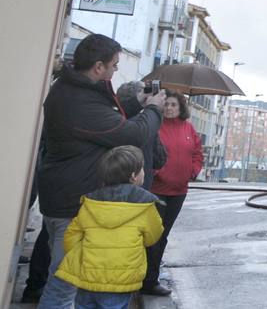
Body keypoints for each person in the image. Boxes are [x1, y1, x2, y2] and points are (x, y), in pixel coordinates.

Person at [38, 35, 164, 309]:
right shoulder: (78, 100)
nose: (116, 70)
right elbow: (132, 133)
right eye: (114, 65)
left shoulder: (73, 90)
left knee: (67, 284)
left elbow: (102, 125)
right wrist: (154, 109)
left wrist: (134, 104)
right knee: (63, 286)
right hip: (70, 201)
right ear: (98, 67)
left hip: (64, 194)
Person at [54, 145, 163, 309]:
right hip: (120, 278)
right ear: (133, 176)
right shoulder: (145, 206)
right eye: (142, 169)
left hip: (87, 277)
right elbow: (153, 237)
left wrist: (82, 257)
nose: (144, 172)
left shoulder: (90, 203)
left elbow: (72, 236)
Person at [143, 92, 201, 296]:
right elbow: (147, 152)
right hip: (157, 189)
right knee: (154, 236)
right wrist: (156, 172)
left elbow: (197, 153)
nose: (168, 108)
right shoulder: (155, 126)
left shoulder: (188, 128)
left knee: (164, 235)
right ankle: (148, 281)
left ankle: (150, 278)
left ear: (180, 107)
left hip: (179, 191)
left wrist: (193, 171)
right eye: (166, 104)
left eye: (173, 105)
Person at [113, 83, 166, 194]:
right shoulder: (146, 125)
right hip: (140, 186)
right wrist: (153, 108)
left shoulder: (112, 120)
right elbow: (160, 159)